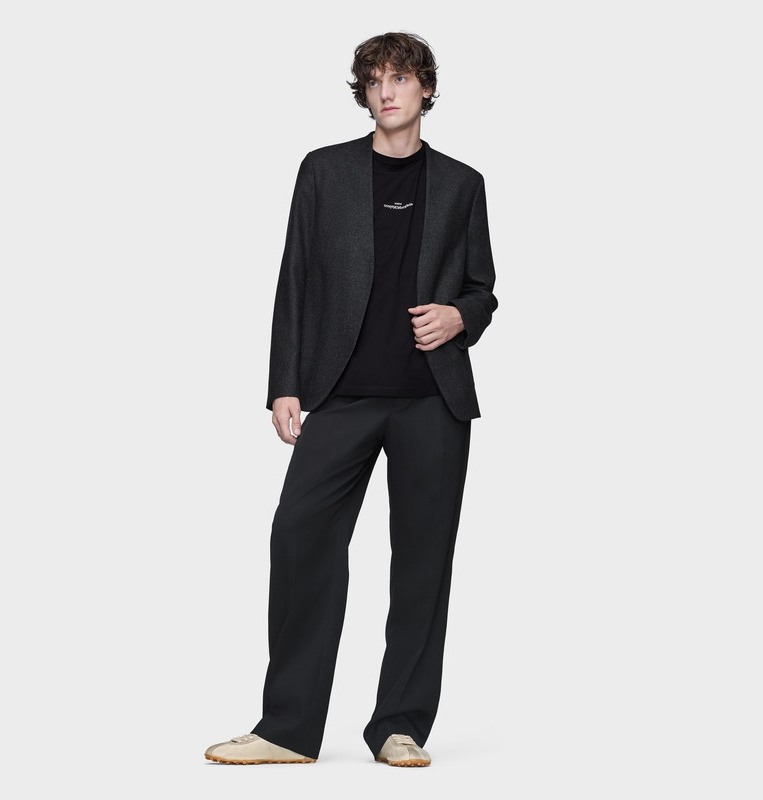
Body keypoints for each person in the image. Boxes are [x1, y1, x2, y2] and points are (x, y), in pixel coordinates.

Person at [205, 31, 498, 767]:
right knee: (299, 538)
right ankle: (287, 729)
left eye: (400, 77)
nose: (386, 91)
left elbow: (482, 288)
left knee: (423, 566)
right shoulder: (324, 171)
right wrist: (284, 382)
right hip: (342, 393)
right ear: (363, 93)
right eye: (373, 80)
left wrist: (460, 317)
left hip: (432, 400)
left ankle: (399, 726)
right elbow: (295, 278)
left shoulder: (463, 184)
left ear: (426, 87)